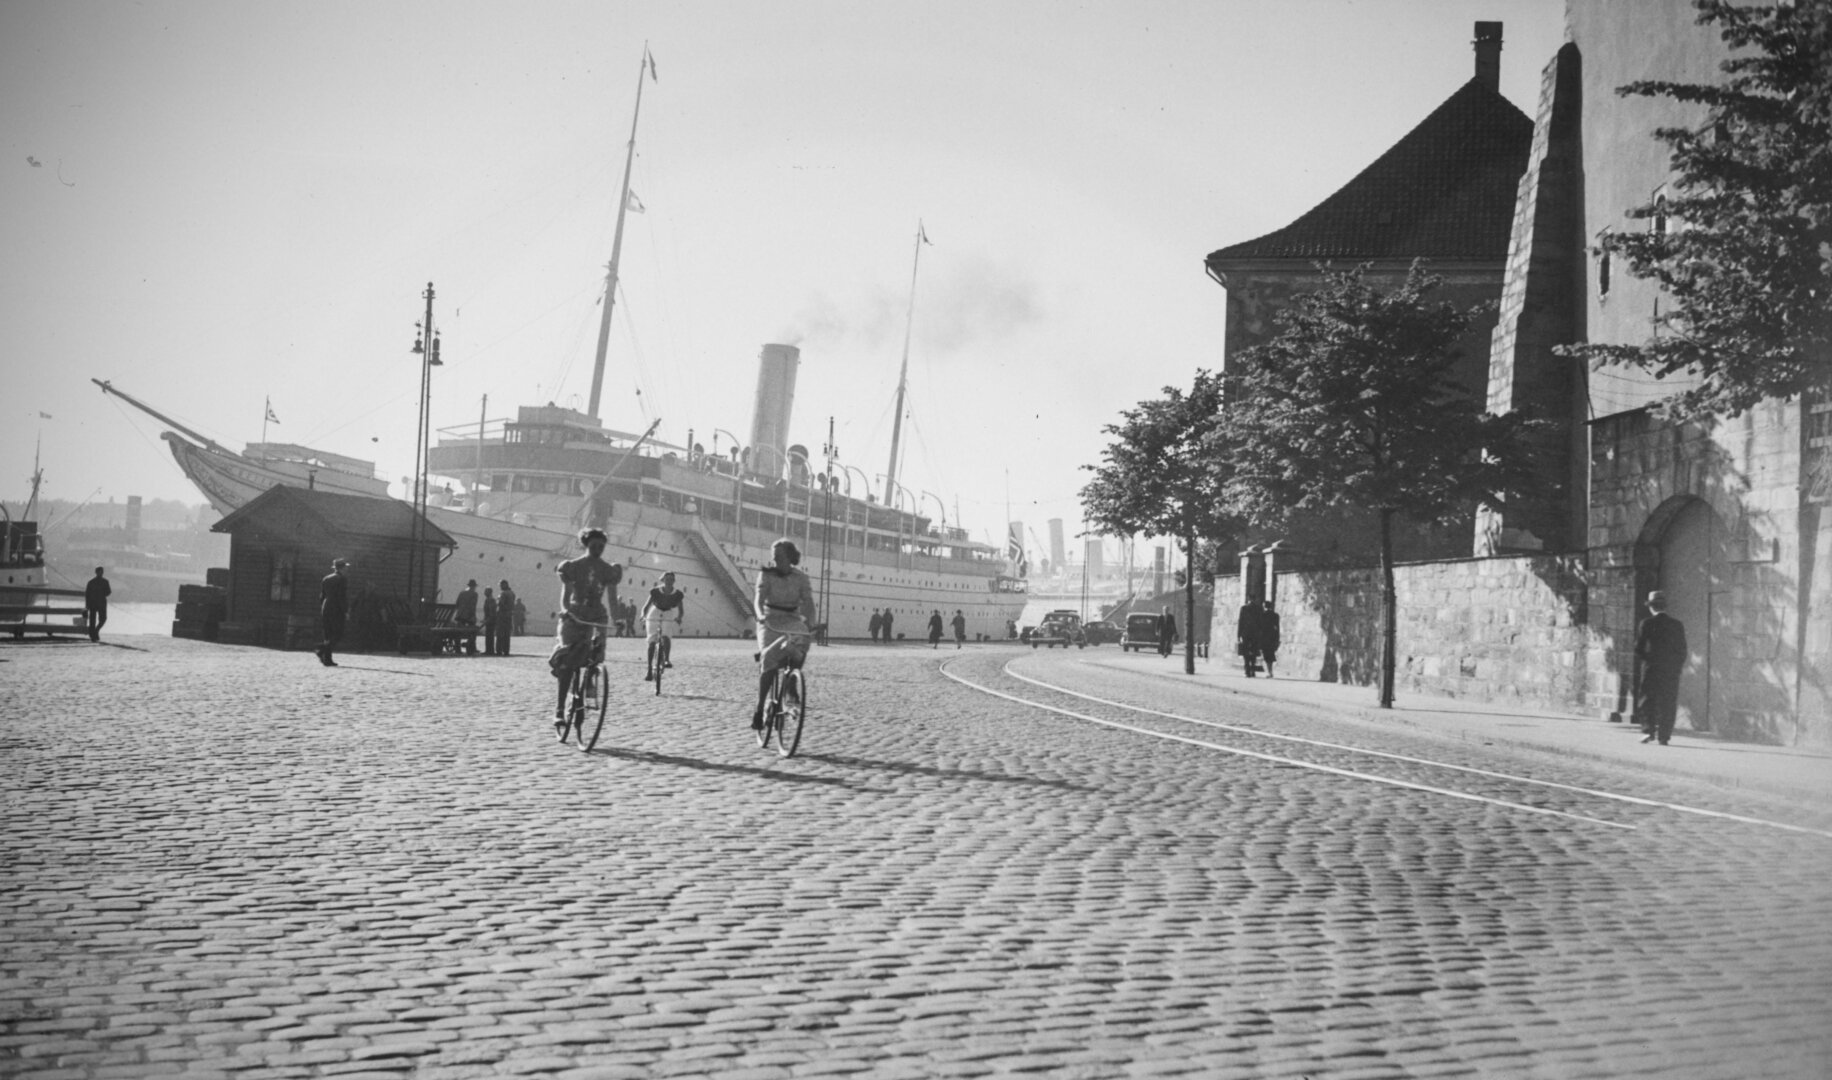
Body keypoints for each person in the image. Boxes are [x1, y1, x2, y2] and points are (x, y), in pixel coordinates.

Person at [549, 529, 622, 735]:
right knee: (569, 662)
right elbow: (566, 594)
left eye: (601, 546)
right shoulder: (573, 567)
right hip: (575, 614)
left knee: (595, 654)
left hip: (597, 615)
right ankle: (560, 709)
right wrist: (566, 610)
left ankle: (586, 686)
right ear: (585, 545)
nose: (598, 550)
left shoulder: (609, 570)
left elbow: (613, 600)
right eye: (594, 546)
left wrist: (618, 620)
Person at [752, 538, 816, 731]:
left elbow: (808, 603)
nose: (775, 562)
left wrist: (810, 622)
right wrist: (760, 615)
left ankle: (791, 684)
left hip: (792, 620)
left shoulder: (801, 578)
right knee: (769, 661)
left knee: (803, 640)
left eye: (779, 557)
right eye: (774, 558)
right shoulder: (766, 575)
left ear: (790, 557)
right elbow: (758, 600)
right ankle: (759, 707)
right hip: (770, 620)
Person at [1634, 590, 1687, 746]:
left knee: (1647, 700)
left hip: (1650, 669)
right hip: (1670, 671)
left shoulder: (1646, 624)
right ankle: (1664, 736)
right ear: (1664, 606)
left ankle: (1647, 731)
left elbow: (1638, 648)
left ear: (1651, 607)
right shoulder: (1677, 625)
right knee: (1668, 702)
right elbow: (1682, 650)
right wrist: (1676, 667)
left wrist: (1647, 661)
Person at [642, 571, 685, 681]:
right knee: (651, 641)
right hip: (654, 611)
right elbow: (646, 606)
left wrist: (679, 617)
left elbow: (681, 610)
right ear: (663, 580)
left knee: (666, 636)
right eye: (667, 579)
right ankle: (649, 669)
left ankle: (666, 659)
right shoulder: (656, 591)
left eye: (671, 579)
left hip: (668, 613)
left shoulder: (677, 594)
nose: (669, 581)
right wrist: (643, 615)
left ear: (674, 581)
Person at [317, 558, 350, 666]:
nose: (347, 569)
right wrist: (345, 611)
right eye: (345, 567)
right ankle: (322, 650)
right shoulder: (342, 579)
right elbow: (341, 597)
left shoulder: (326, 578)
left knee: (328, 634)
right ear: (342, 568)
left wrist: (323, 606)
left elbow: (322, 596)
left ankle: (327, 658)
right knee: (338, 633)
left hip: (326, 606)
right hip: (336, 608)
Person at [83, 566, 111, 643]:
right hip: (96, 603)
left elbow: (108, 592)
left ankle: (95, 632)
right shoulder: (93, 582)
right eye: (99, 572)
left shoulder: (102, 582)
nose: (100, 573)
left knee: (102, 619)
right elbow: (87, 595)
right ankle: (94, 635)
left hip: (98, 603)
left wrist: (87, 604)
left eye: (101, 572)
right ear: (97, 572)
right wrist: (87, 605)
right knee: (94, 620)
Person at [1236, 601, 1263, 677]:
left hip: (1245, 633)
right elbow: (1261, 622)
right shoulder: (1258, 609)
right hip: (1255, 634)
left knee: (1246, 653)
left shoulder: (1244, 608)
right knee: (1254, 653)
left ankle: (1247, 670)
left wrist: (1238, 635)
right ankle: (1253, 670)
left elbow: (1240, 622)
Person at [454, 580, 480, 655]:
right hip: (469, 615)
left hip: (460, 615)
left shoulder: (462, 593)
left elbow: (457, 604)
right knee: (472, 631)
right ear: (474, 586)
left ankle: (457, 649)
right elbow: (473, 606)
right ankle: (472, 647)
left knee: (458, 632)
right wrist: (473, 616)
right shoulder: (474, 594)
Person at [1259, 600, 1282, 678]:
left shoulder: (1263, 615)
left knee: (1266, 655)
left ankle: (1269, 671)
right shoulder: (1275, 615)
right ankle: (1270, 671)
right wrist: (1277, 638)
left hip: (1265, 637)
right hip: (1272, 637)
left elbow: (1260, 627)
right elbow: (1277, 628)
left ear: (1264, 606)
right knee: (1271, 654)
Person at [496, 580, 517, 657]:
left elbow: (500, 603)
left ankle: (499, 650)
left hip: (502, 615)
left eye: (501, 585)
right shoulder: (512, 593)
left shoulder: (503, 593)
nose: (500, 587)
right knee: (507, 634)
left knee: (500, 633)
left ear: (504, 585)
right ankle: (506, 650)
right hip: (509, 615)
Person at [482, 587, 499, 656]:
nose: (485, 593)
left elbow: (492, 611)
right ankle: (488, 649)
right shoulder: (488, 600)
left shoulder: (491, 600)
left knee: (490, 635)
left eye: (486, 591)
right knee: (488, 635)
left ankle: (490, 650)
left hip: (491, 620)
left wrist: (488, 619)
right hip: (488, 619)